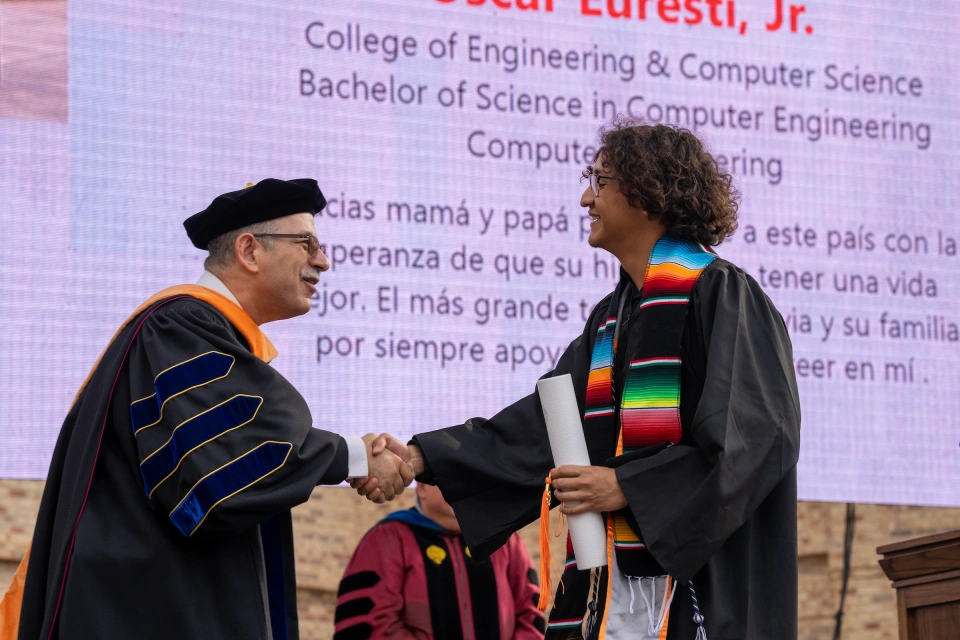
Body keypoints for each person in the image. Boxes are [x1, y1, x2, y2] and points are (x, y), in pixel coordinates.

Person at [359, 120, 802, 639]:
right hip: (609, 594)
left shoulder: (723, 295)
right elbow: (543, 428)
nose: (585, 197)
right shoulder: (611, 322)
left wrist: (627, 486)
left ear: (647, 192)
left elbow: (756, 437)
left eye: (601, 180)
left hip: (699, 591)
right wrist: (418, 459)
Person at [5, 178, 413, 640]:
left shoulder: (195, 334)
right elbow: (226, 465)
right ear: (249, 250)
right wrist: (352, 456)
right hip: (143, 611)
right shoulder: (181, 326)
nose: (323, 260)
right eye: (306, 243)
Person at [334, 483, 545, 640]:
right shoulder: (388, 538)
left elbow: (531, 614)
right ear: (422, 488)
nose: (461, 486)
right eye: (449, 477)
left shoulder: (502, 541)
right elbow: (371, 622)